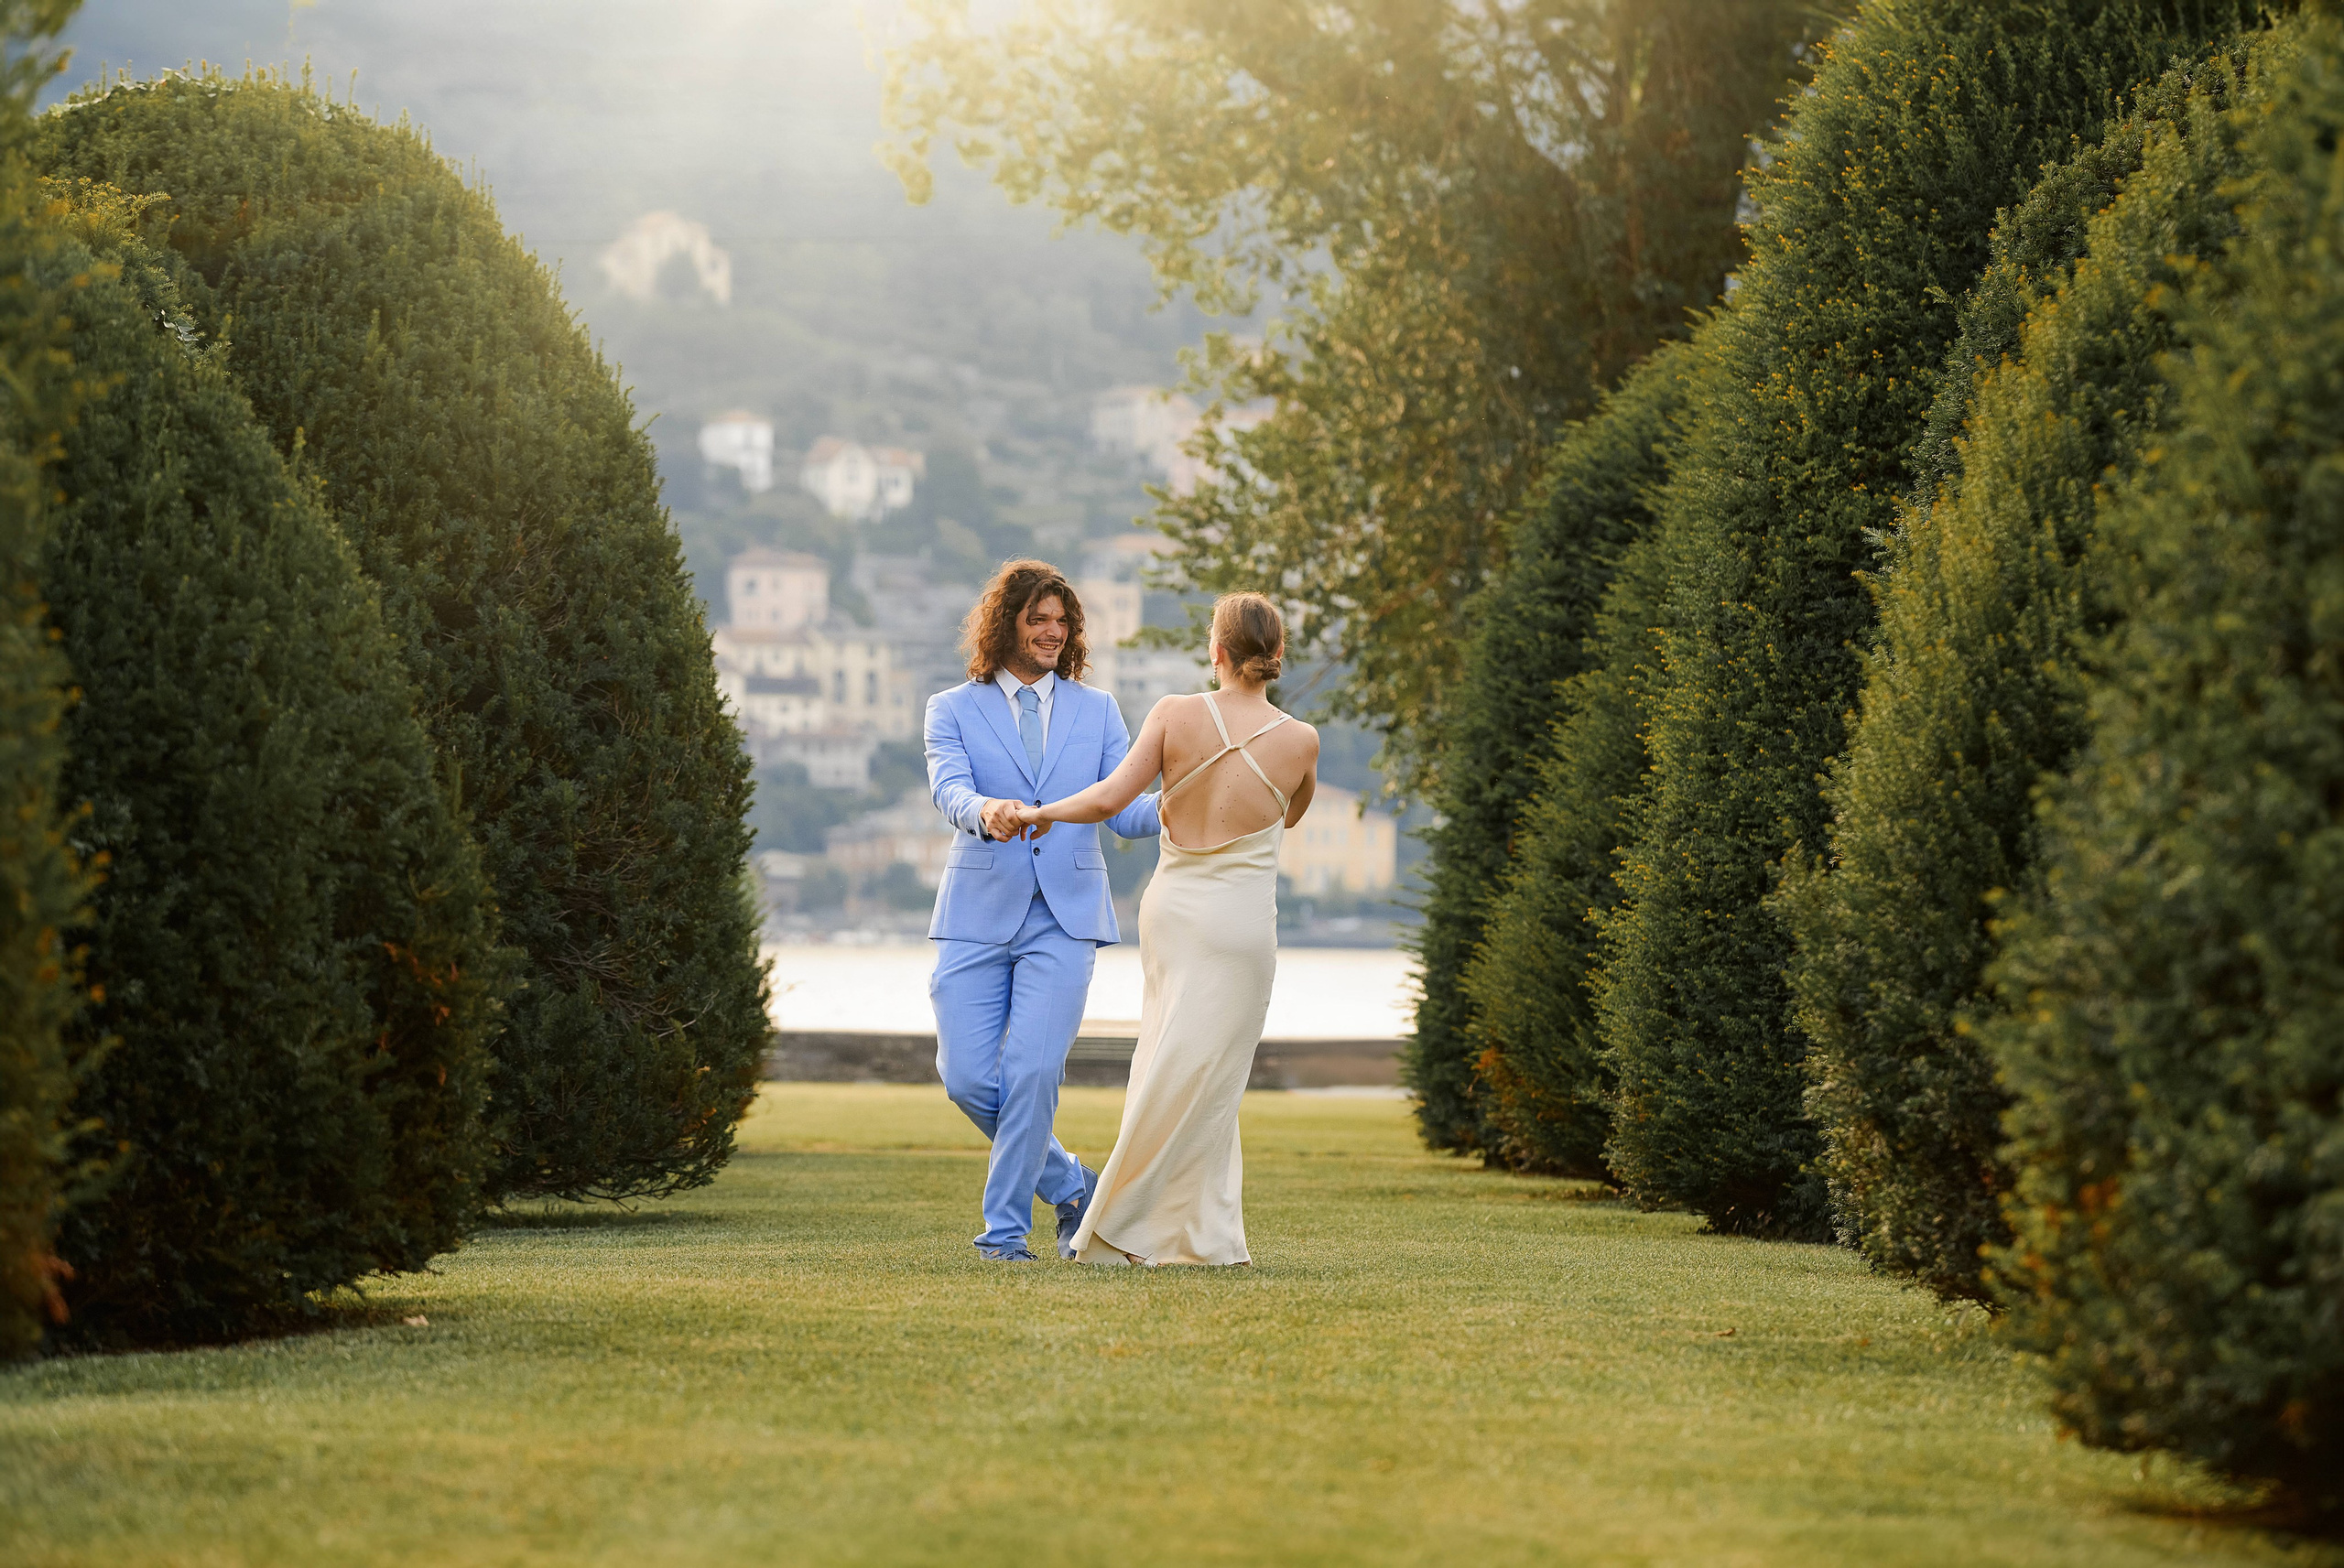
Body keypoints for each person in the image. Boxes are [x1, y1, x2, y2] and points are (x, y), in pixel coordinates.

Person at [1014, 591, 1317, 1266]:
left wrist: (1042, 811)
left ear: (1216, 650)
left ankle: (1135, 1223)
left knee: (1163, 1061)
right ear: (1275, 655)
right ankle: (1191, 1232)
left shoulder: (1175, 715)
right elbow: (1291, 815)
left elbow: (1109, 799)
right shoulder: (1301, 739)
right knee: (1213, 1076)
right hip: (1243, 923)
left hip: (1177, 910)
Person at [924, 560, 1162, 1261]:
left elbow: (1125, 811)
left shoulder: (1099, 711)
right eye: (1039, 619)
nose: (1054, 631)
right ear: (1008, 625)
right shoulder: (951, 708)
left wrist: (1187, 808)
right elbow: (950, 790)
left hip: (1066, 917)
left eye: (1063, 620)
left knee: (1031, 1071)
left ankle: (1002, 1235)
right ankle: (1072, 1186)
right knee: (967, 1077)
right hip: (975, 911)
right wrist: (985, 811)